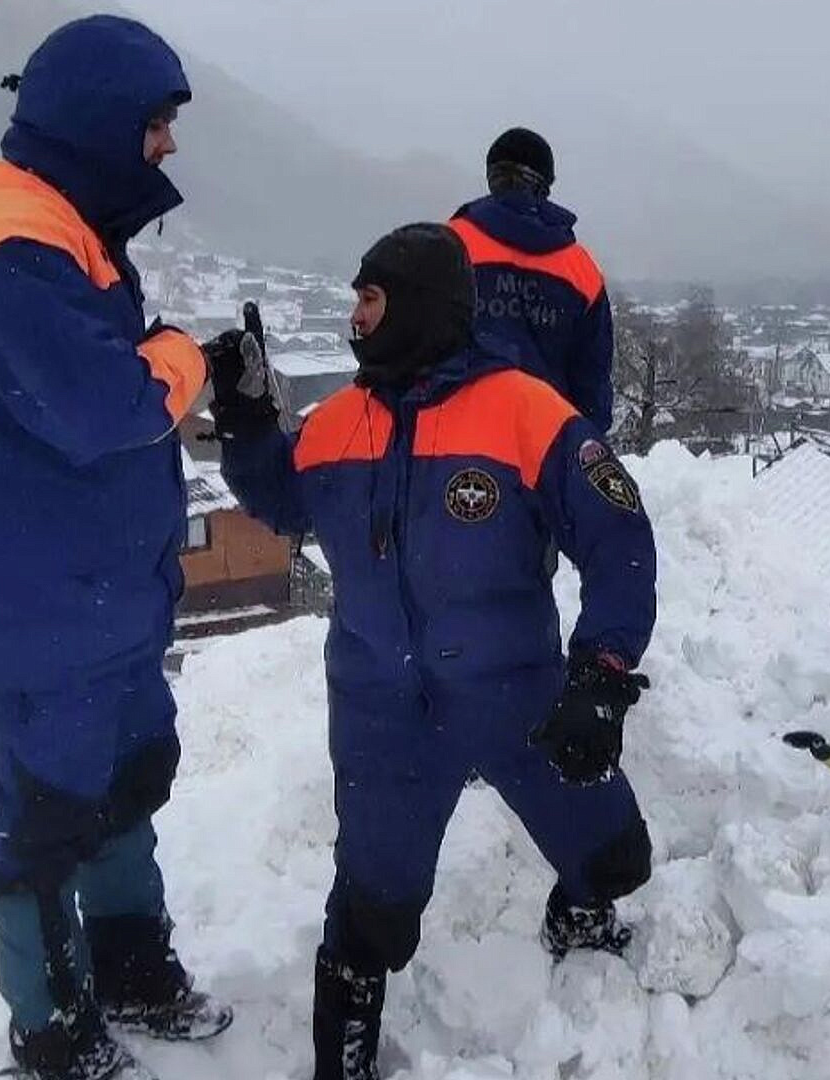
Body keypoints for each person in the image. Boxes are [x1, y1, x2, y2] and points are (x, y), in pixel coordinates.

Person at [210, 223, 658, 1080]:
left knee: (615, 860)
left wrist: (601, 672)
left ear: (417, 305)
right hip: (385, 715)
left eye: (369, 298)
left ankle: (580, 915)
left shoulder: (527, 411)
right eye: (355, 299)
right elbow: (280, 497)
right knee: (370, 917)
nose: (354, 317)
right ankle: (343, 1060)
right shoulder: (341, 423)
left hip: (517, 698)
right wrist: (245, 417)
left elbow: (619, 540)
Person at [0, 15, 234, 1079]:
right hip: (38, 607)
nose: (169, 149)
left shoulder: (61, 225)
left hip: (98, 596)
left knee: (129, 779)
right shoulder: (7, 240)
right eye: (157, 125)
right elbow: (107, 406)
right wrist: (185, 357)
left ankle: (132, 970)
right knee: (48, 821)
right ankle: (50, 1030)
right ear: (102, 121)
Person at [448, 127, 617, 432]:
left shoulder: (448, 244)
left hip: (459, 442)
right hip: (548, 444)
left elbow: (416, 353)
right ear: (545, 184)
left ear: (491, 176)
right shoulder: (581, 268)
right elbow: (592, 385)